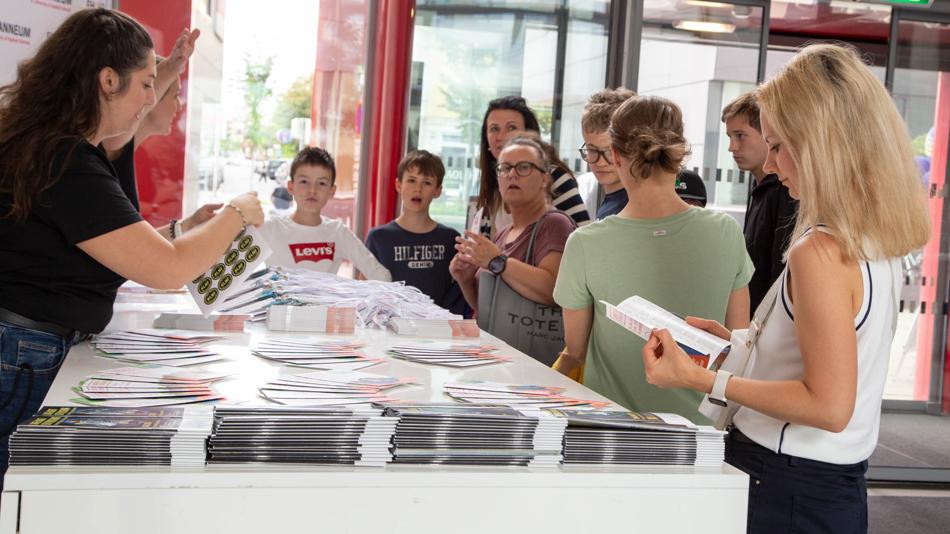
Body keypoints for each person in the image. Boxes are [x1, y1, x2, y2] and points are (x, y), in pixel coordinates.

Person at [642, 44, 930, 533]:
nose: (770, 164)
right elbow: (834, 362)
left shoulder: (818, 251)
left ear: (819, 143)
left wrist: (699, 380)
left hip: (785, 483)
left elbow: (828, 405)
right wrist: (735, 343)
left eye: (776, 145)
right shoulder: (877, 236)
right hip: (829, 485)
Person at [0, 9, 264, 483]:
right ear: (106, 80)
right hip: (21, 356)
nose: (152, 98)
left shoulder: (56, 144)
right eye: (146, 83)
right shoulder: (67, 159)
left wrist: (162, 72)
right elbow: (167, 269)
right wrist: (237, 213)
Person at [553, 95, 751, 421]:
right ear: (678, 155)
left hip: (609, 432)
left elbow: (575, 352)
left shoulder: (585, 244)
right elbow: (738, 344)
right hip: (700, 437)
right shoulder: (726, 232)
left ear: (615, 155)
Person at [102, 30, 222, 240]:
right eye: (147, 85)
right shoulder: (94, 153)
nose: (180, 104)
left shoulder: (123, 152)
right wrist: (234, 218)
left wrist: (190, 224)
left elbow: (133, 245)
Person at [452, 135, 575, 315]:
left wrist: (497, 261)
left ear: (544, 179)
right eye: (505, 168)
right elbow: (488, 309)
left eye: (524, 167)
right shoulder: (502, 234)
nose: (512, 174)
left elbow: (554, 291)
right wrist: (465, 280)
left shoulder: (554, 223)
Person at [261, 146, 391, 281]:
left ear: (332, 191)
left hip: (328, 302)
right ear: (290, 186)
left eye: (322, 183)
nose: (312, 190)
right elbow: (238, 272)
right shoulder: (270, 229)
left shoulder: (338, 232)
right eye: (304, 181)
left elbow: (381, 275)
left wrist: (356, 298)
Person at [722, 91, 797, 313]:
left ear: (767, 135)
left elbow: (780, 274)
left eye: (740, 135)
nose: (732, 147)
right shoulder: (761, 191)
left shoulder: (785, 191)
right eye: (729, 137)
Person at [472, 96, 589, 237]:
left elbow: (582, 238)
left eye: (511, 128)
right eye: (494, 129)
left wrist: (499, 259)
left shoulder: (555, 177)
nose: (501, 136)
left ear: (528, 133)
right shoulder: (494, 179)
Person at [366, 150, 466, 314]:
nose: (418, 189)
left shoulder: (450, 239)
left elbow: (461, 290)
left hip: (436, 330)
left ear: (437, 191)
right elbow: (365, 290)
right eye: (411, 180)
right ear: (399, 185)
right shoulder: (378, 238)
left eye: (427, 182)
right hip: (391, 328)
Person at [578, 87, 636, 219]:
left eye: (610, 152)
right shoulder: (612, 203)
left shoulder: (633, 209)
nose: (600, 162)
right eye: (592, 150)